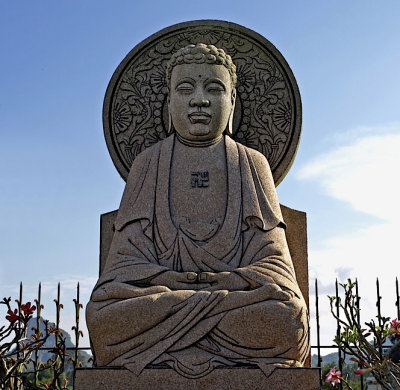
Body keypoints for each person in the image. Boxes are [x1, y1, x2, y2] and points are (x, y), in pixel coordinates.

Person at [86, 43, 309, 378]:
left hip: (231, 297)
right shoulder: (148, 164)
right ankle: (196, 330)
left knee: (287, 316)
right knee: (105, 315)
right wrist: (170, 280)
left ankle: (177, 337)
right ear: (170, 100)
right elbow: (123, 266)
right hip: (171, 297)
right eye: (185, 88)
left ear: (232, 102)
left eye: (215, 89)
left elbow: (275, 265)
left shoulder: (252, 164)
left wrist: (231, 280)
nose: (199, 100)